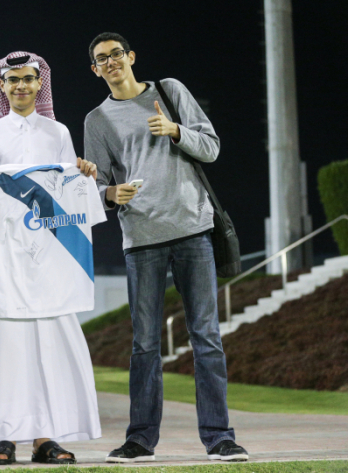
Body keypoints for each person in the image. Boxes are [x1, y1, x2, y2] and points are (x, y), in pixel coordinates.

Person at [84, 32, 248, 463]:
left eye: (117, 54)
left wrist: (176, 131)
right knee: (144, 344)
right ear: (95, 70)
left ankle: (219, 437)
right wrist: (109, 194)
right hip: (141, 239)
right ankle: (140, 440)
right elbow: (94, 186)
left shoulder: (170, 91)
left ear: (131, 56)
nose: (111, 62)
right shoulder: (96, 121)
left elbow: (211, 148)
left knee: (206, 337)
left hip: (193, 229)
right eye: (102, 59)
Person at [0, 51, 101, 465]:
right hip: (4, 253)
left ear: (39, 83)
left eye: (28, 79)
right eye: (13, 80)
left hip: (50, 254)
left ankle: (45, 438)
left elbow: (67, 190)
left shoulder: (58, 132)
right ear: (2, 86)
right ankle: (3, 437)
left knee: (51, 345)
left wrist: (83, 172)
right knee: (4, 345)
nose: (21, 86)